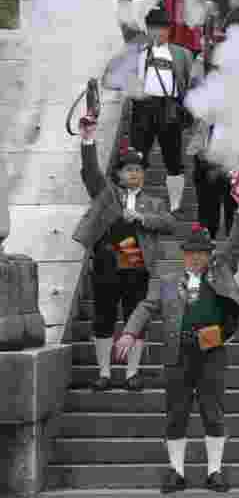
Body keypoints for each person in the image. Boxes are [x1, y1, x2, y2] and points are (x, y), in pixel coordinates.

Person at [113, 178, 239, 493]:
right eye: (192, 253)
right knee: (176, 414)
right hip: (177, 352)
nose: (197, 258)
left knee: (213, 413)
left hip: (212, 350)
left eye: (202, 253)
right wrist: (130, 333)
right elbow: (146, 307)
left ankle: (215, 472)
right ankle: (176, 473)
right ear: (184, 254)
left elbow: (238, 240)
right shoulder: (167, 278)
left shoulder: (220, 269)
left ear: (208, 254)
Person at [73, 116, 176, 391]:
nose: (134, 173)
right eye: (129, 169)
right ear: (118, 174)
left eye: (139, 169)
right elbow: (92, 172)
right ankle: (104, 372)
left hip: (137, 265)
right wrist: (88, 139)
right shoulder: (107, 193)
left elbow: (169, 222)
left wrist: (141, 217)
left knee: (135, 317)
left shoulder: (153, 201)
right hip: (107, 262)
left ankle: (132, 373)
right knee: (103, 318)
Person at [129, 6, 193, 214]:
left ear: (169, 30)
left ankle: (175, 205)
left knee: (174, 159)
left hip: (170, 107)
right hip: (143, 107)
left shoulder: (182, 54)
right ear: (147, 29)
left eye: (163, 27)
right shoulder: (138, 49)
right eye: (154, 27)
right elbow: (125, 23)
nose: (159, 31)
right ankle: (132, 200)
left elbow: (192, 82)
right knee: (137, 157)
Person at [185, 42, 237, 240]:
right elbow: (191, 92)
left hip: (235, 158)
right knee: (206, 210)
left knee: (238, 210)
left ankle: (235, 258)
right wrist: (200, 58)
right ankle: (207, 247)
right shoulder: (204, 87)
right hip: (206, 155)